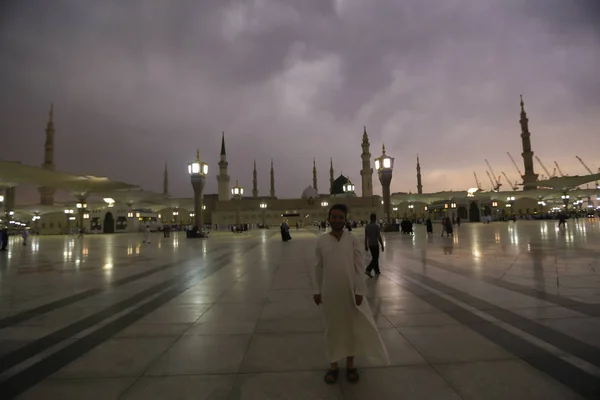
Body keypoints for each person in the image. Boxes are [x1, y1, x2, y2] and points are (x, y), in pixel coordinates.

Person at [313, 204, 389, 384]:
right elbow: (318, 267)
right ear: (329, 218)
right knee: (332, 329)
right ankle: (333, 365)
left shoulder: (352, 240)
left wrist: (360, 290)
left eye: (341, 217)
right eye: (334, 217)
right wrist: (317, 290)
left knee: (350, 328)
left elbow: (359, 267)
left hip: (350, 291)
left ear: (345, 220)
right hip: (330, 291)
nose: (337, 220)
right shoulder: (321, 240)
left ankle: (351, 364)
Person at [364, 213, 384, 277]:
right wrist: (382, 244)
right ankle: (368, 269)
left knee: (374, 257)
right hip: (375, 244)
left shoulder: (367, 226)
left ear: (370, 218)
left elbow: (366, 237)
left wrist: (366, 245)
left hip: (370, 244)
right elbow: (379, 236)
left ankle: (377, 271)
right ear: (375, 218)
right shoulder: (376, 226)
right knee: (375, 258)